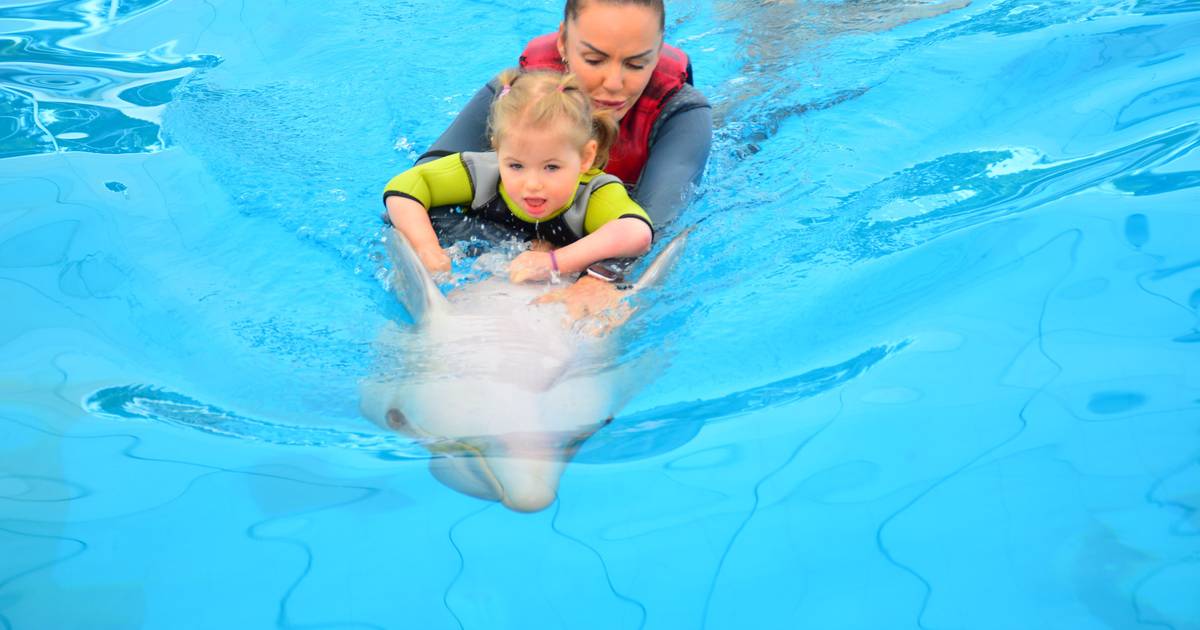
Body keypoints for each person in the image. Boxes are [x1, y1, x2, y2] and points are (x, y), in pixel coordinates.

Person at [418, 0, 710, 293]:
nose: (613, 83)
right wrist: (525, 247)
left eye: (636, 64)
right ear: (562, 43)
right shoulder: (522, 95)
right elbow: (425, 181)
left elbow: (655, 228)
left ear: (658, 53)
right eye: (594, 60)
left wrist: (598, 275)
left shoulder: (681, 113)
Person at [383, 70, 653, 286]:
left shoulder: (593, 193)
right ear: (497, 151)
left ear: (585, 157)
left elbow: (637, 233)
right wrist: (427, 247)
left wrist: (556, 262)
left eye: (551, 167)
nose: (532, 184)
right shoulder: (482, 172)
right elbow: (404, 188)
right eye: (516, 165)